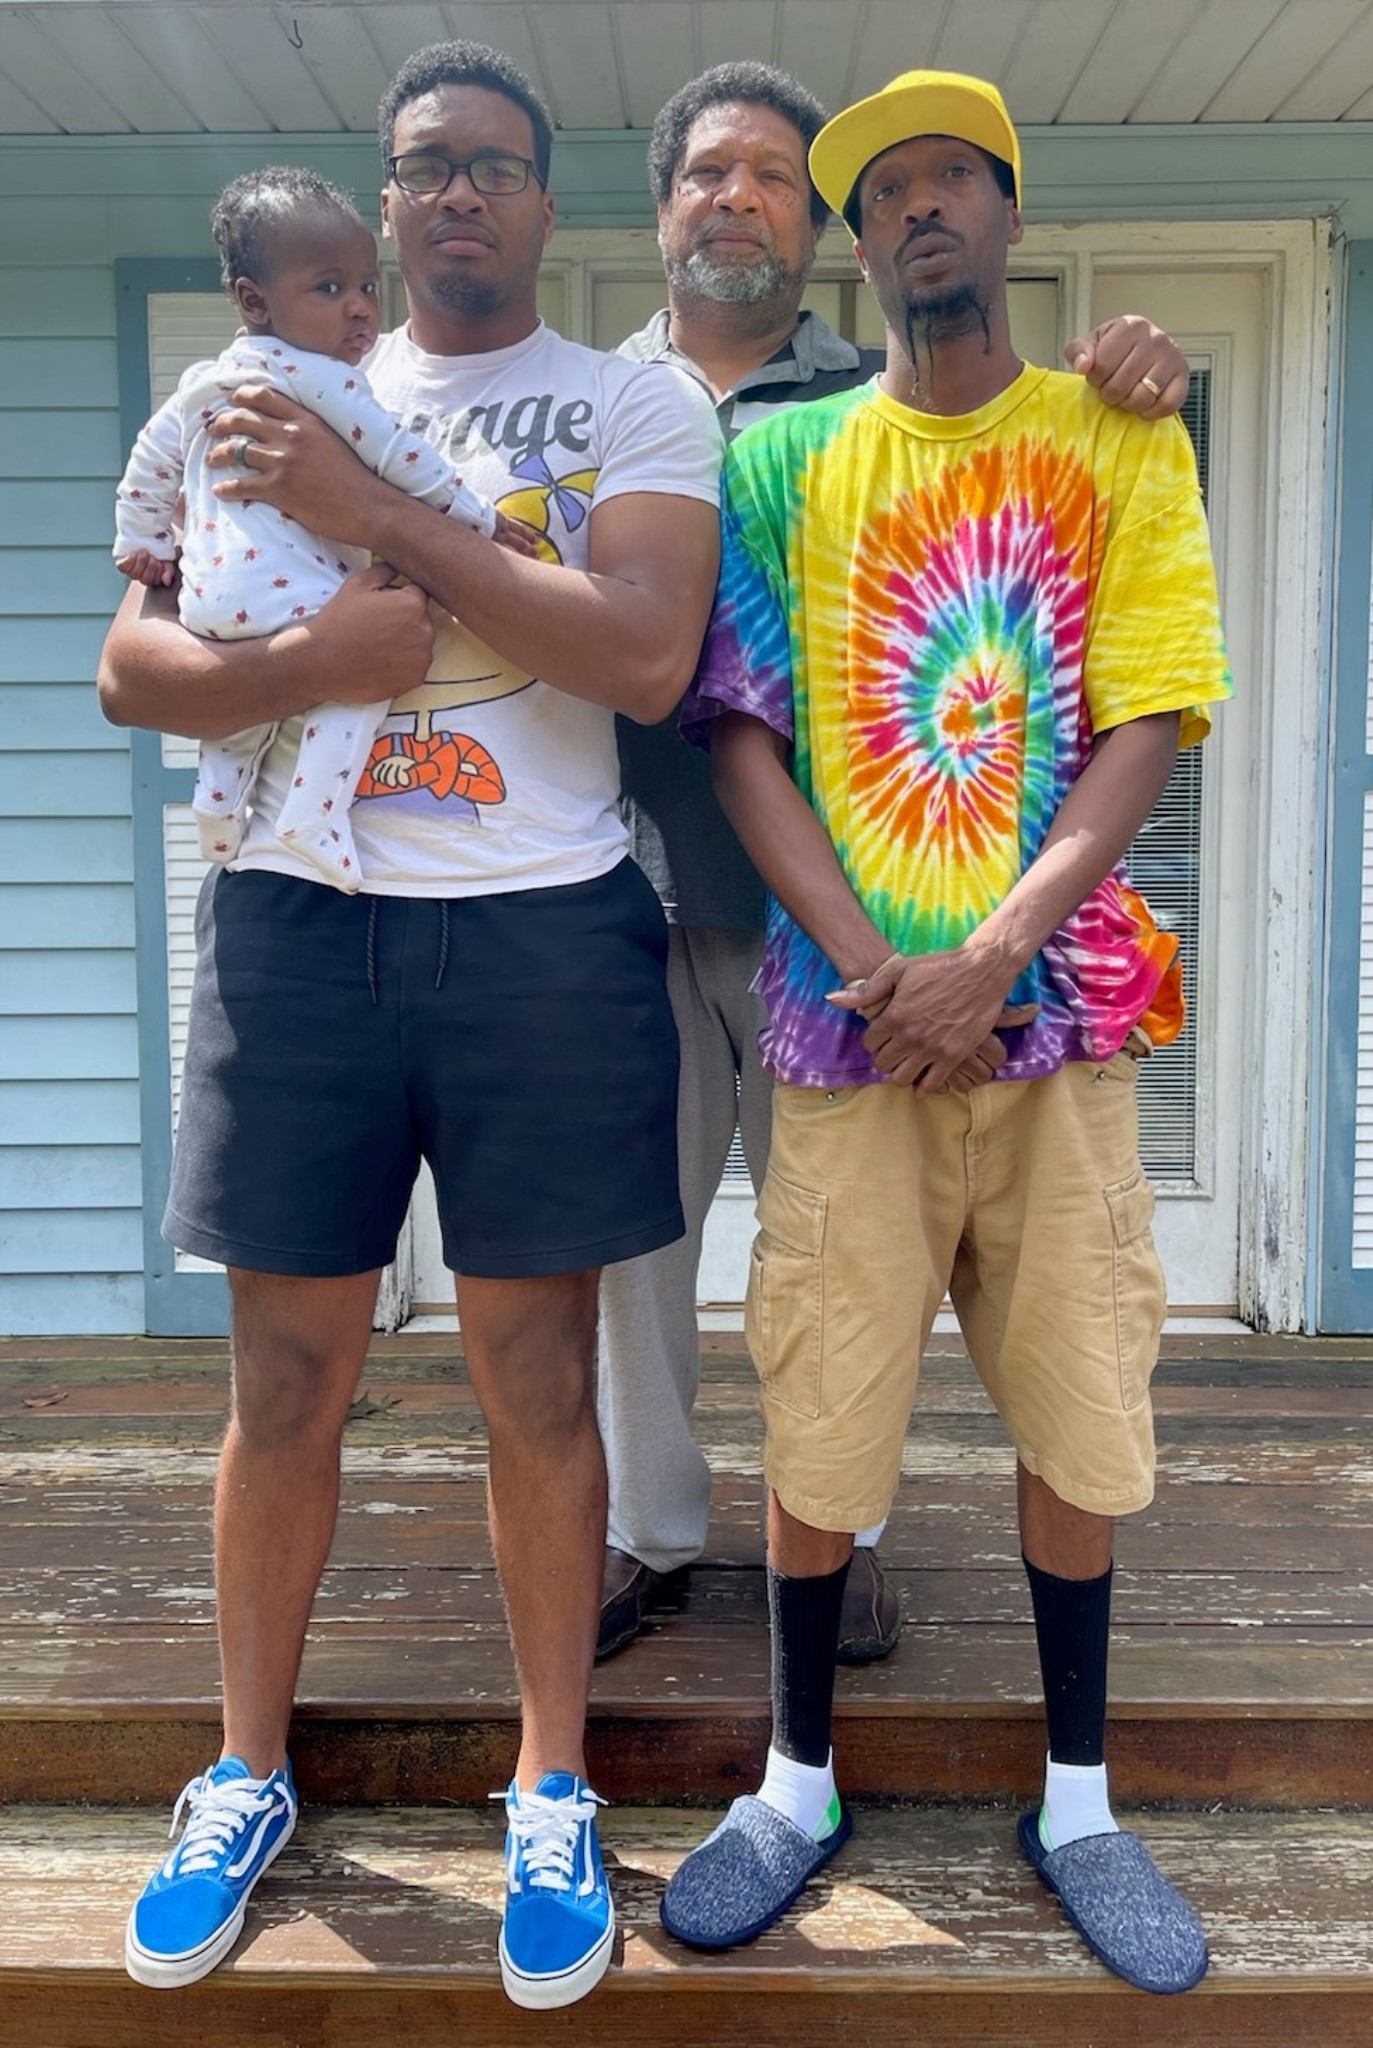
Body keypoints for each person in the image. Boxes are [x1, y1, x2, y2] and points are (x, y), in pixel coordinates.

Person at [97, 40, 721, 2012]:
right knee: (284, 1377)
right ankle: (243, 1769)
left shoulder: (627, 399)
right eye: (425, 161)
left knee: (536, 1378)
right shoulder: (252, 383)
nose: (459, 191)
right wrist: (309, 652)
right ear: (379, 200)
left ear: (546, 202)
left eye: (496, 164)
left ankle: (548, 1781)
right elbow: (133, 666)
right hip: (298, 923)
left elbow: (641, 656)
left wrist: (383, 519)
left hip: (543, 936)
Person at [659, 69, 1231, 1999]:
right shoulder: (781, 466)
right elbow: (739, 735)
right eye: (882, 189)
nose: (915, 209)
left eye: (947, 181)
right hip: (847, 1051)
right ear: (857, 242)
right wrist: (872, 966)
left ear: (1005, 215)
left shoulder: (1114, 434)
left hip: (1058, 1033)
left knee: (1079, 1409)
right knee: (820, 1419)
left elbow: (1147, 715)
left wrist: (987, 952)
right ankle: (792, 1780)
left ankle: (1076, 1800)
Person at [114, 165, 531, 890]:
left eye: (367, 286)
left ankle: (218, 805)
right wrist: (480, 517)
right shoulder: (324, 378)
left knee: (247, 710)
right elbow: (399, 457)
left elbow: (149, 461)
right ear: (255, 301)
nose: (359, 308)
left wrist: (143, 542)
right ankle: (314, 811)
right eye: (330, 288)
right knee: (360, 676)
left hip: (210, 597)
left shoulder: (205, 380)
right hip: (293, 596)